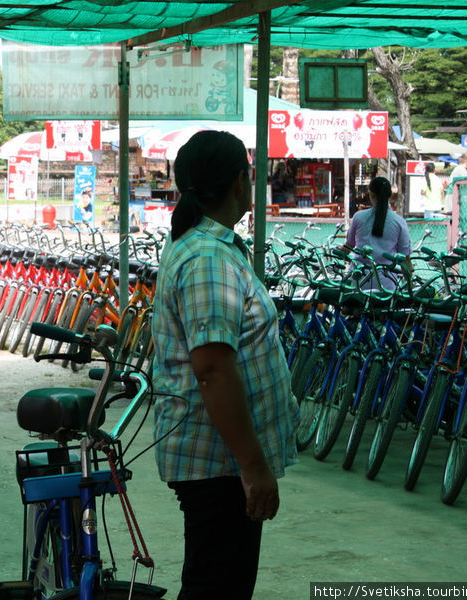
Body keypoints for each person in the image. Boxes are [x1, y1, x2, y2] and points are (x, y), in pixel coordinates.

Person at [150, 130, 298, 600]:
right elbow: (213, 368)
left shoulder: (209, 247)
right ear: (240, 182)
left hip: (220, 461)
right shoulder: (208, 257)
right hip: (219, 464)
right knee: (217, 587)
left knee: (219, 582)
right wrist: (253, 466)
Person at [342, 176, 412, 290]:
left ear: (371, 194)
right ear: (390, 195)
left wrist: (342, 250)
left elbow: (348, 246)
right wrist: (410, 283)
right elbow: (405, 259)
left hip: (359, 279)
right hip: (386, 283)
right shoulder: (399, 222)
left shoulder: (359, 217)